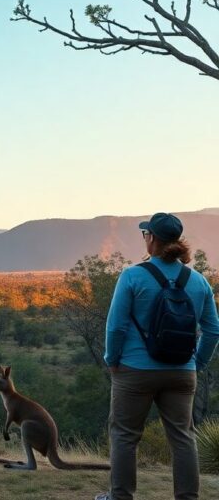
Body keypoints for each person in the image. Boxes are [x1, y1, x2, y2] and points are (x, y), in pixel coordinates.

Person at [96, 213, 219, 500]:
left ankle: (121, 496)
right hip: (181, 372)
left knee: (125, 435)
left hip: (134, 371)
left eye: (145, 234)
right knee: (183, 438)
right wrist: (196, 363)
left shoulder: (132, 276)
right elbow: (213, 331)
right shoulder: (198, 281)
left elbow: (116, 326)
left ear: (151, 239)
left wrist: (112, 359)